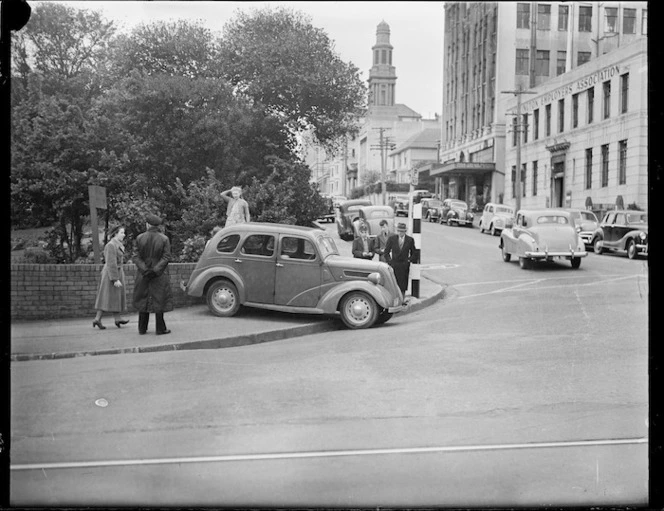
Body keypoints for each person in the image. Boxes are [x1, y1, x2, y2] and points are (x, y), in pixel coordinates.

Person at [132, 214, 174, 335]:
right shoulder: (164, 239)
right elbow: (166, 257)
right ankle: (160, 328)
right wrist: (155, 270)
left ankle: (142, 328)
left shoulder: (139, 238)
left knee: (143, 298)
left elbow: (136, 256)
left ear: (148, 224)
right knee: (159, 299)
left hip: (143, 273)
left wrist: (145, 269)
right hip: (159, 274)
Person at [92, 225, 129, 329]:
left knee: (114, 296)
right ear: (115, 234)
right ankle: (98, 319)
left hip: (117, 272)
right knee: (106, 296)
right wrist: (115, 279)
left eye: (123, 232)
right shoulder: (111, 245)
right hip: (111, 274)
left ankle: (115, 319)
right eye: (121, 233)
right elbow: (111, 263)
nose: (124, 235)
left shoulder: (117, 244)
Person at [383, 222, 417, 295]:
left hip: (404, 266)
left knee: (403, 285)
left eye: (402, 231)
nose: (400, 233)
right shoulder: (392, 239)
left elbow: (414, 253)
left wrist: (409, 260)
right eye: (399, 231)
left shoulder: (410, 240)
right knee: (394, 284)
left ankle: (402, 299)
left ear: (405, 231)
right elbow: (386, 252)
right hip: (394, 265)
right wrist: (390, 262)